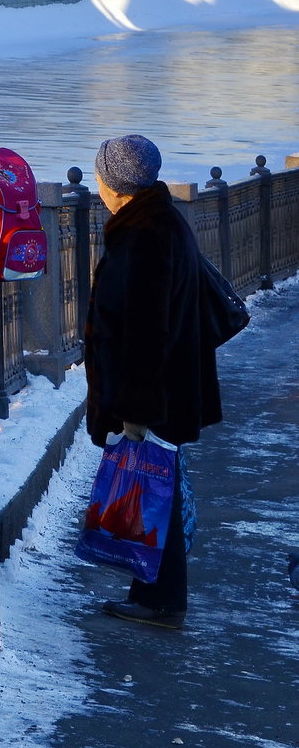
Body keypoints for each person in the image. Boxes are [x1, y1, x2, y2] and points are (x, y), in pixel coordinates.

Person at [84, 134, 222, 628]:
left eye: (99, 174)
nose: (96, 182)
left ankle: (161, 602)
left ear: (114, 182)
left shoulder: (145, 235)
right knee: (158, 488)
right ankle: (154, 594)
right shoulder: (158, 223)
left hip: (155, 391)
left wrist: (135, 411)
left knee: (156, 490)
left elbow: (145, 328)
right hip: (169, 385)